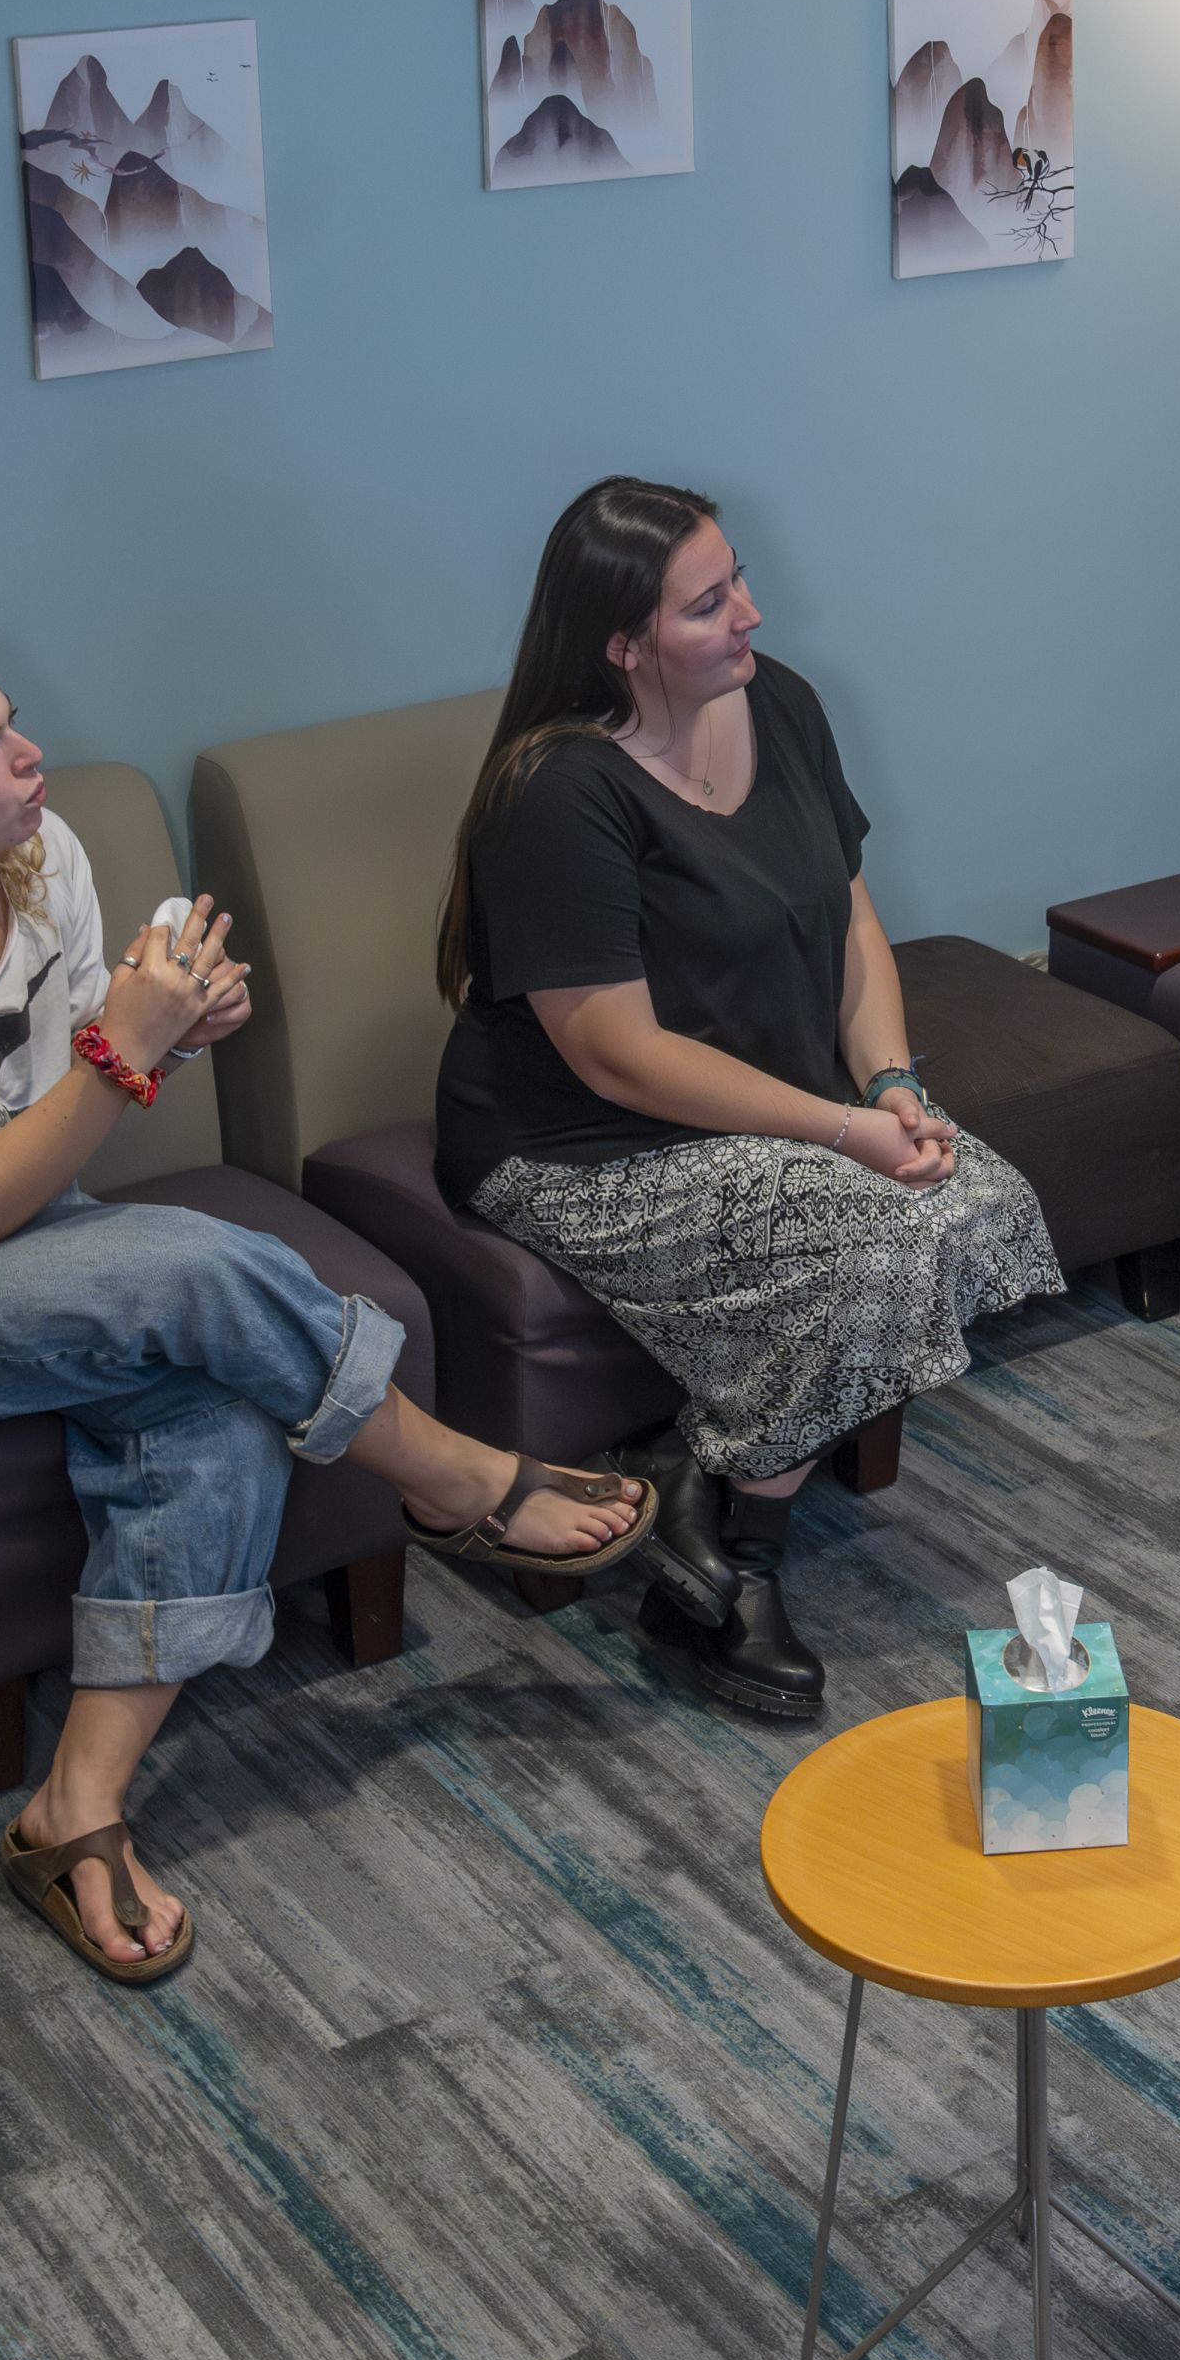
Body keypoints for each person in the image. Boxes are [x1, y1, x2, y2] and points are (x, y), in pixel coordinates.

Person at [0, 633, 657, 1988]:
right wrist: (125, 1046)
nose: (29, 757)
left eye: (11, 725)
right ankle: (448, 1476)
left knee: (214, 1401)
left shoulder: (42, 859)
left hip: (26, 1227)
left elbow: (56, 1123)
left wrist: (176, 1022)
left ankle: (71, 1809)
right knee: (203, 1266)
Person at [432, 476, 1063, 1725]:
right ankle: (733, 1573)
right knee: (881, 1235)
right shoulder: (560, 791)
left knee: (982, 1203)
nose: (751, 615)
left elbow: (852, 923)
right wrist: (842, 1130)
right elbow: (614, 1051)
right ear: (622, 643)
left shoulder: (780, 705)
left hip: (774, 1104)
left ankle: (692, 1477)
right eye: (709, 602)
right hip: (583, 1141)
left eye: (738, 583)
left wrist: (891, 1080)